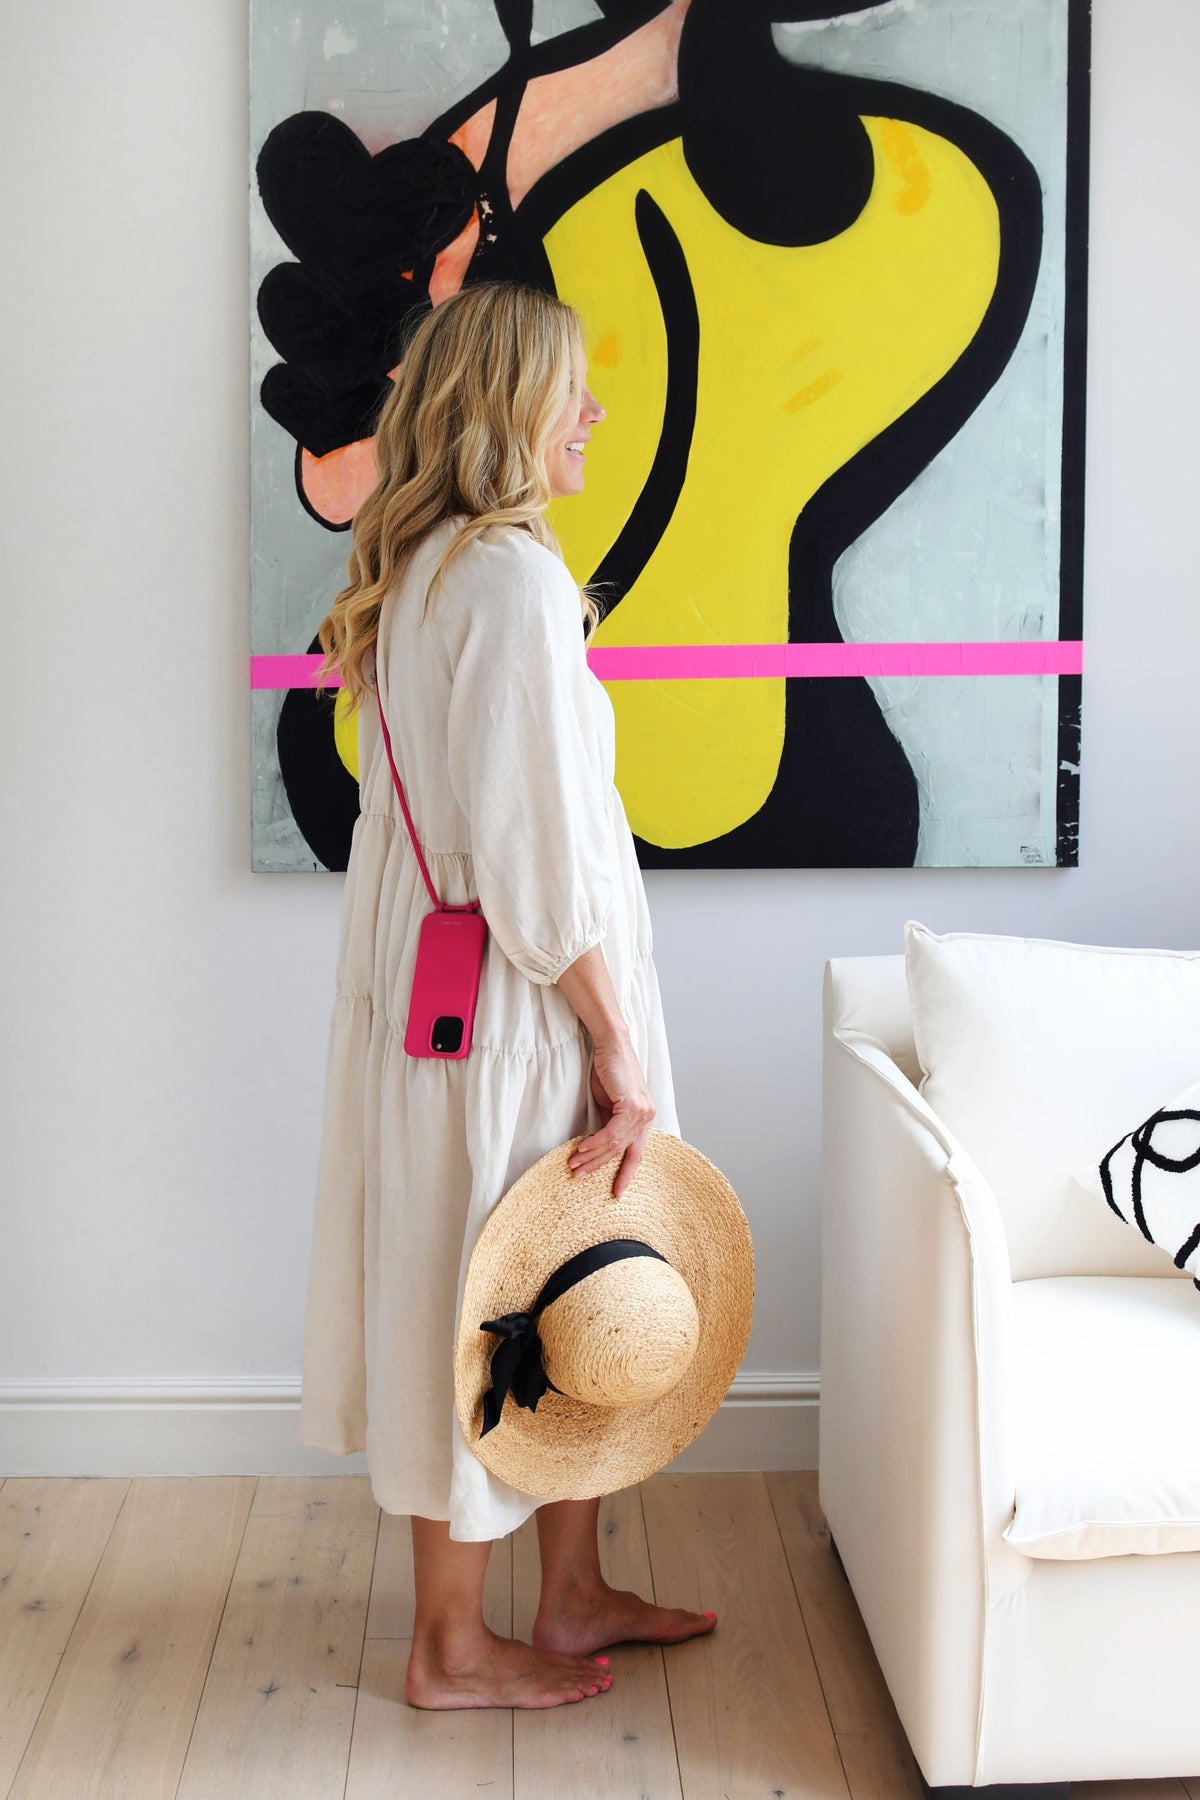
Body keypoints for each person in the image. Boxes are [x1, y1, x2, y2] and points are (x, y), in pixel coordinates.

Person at [300, 281, 716, 1711]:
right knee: (512, 1289)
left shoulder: (418, 566)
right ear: (508, 404)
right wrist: (616, 1043)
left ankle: (571, 1593)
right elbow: (536, 853)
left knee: (526, 1276)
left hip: (445, 991)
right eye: (575, 390)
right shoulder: (517, 585)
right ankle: (449, 1647)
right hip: (531, 1002)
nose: (595, 413)